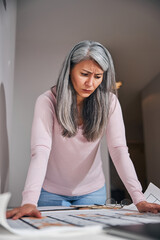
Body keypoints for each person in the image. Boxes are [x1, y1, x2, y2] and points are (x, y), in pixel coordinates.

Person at [7, 40, 160, 220]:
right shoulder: (47, 101)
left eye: (98, 76)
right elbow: (40, 151)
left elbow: (119, 151)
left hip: (93, 192)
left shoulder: (109, 102)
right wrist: (29, 201)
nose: (90, 83)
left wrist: (139, 199)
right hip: (51, 192)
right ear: (69, 70)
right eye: (84, 74)